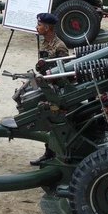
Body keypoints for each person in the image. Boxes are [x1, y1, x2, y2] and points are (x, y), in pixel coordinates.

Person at [30, 12, 70, 166]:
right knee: (47, 121)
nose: (37, 27)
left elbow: (64, 73)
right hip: (46, 89)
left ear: (47, 28)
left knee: (54, 120)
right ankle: (49, 152)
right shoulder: (45, 43)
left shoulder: (59, 46)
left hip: (56, 94)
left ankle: (53, 154)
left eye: (39, 25)